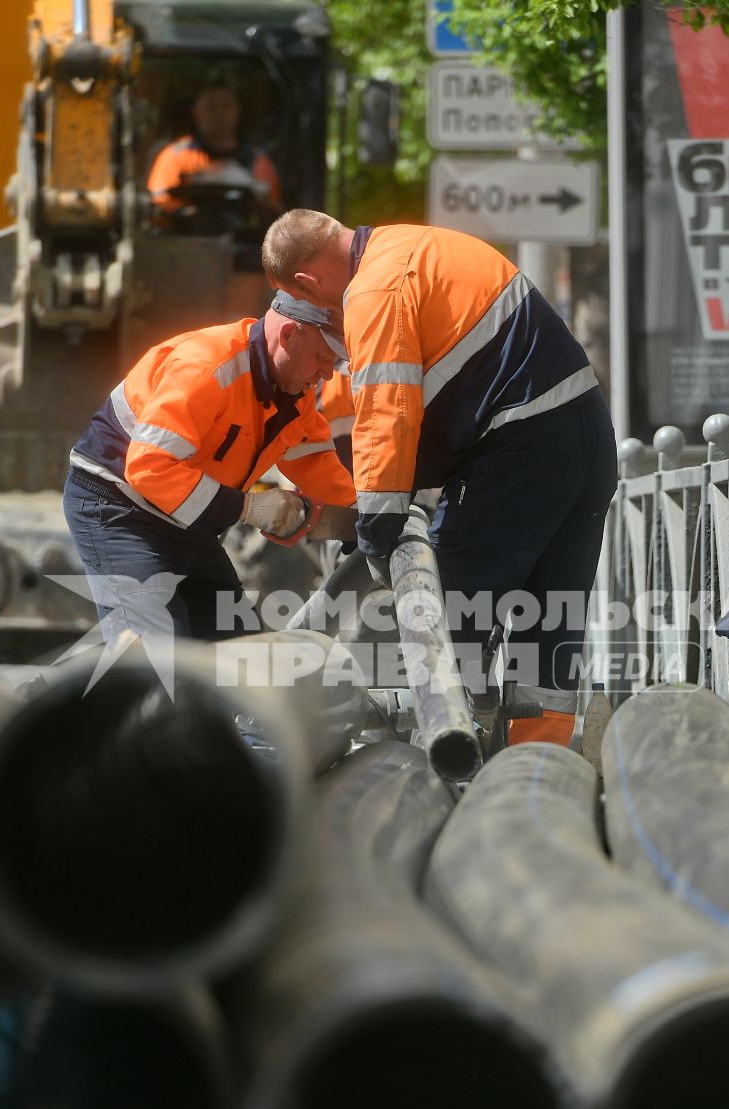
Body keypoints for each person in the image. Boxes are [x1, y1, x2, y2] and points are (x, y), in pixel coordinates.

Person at [261, 210, 616, 748]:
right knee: (549, 624)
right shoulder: (412, 247)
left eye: (307, 302)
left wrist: (377, 527)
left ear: (307, 282)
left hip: (521, 442)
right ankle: (537, 773)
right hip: (583, 430)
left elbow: (388, 412)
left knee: (445, 617)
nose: (322, 315)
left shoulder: (373, 289)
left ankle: (453, 763)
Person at [64, 292, 354, 640]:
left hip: (179, 517)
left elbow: (311, 459)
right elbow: (149, 469)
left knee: (237, 645)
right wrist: (249, 509)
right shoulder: (208, 369)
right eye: (323, 358)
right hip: (119, 508)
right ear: (288, 335)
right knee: (154, 652)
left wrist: (362, 514)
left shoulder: (293, 390)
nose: (328, 373)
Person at [146, 82, 282, 228]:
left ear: (238, 111)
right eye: (211, 107)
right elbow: (158, 201)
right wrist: (186, 213)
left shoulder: (257, 159)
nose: (219, 113)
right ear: (196, 113)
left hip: (243, 240)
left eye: (227, 106)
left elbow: (272, 206)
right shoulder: (175, 156)